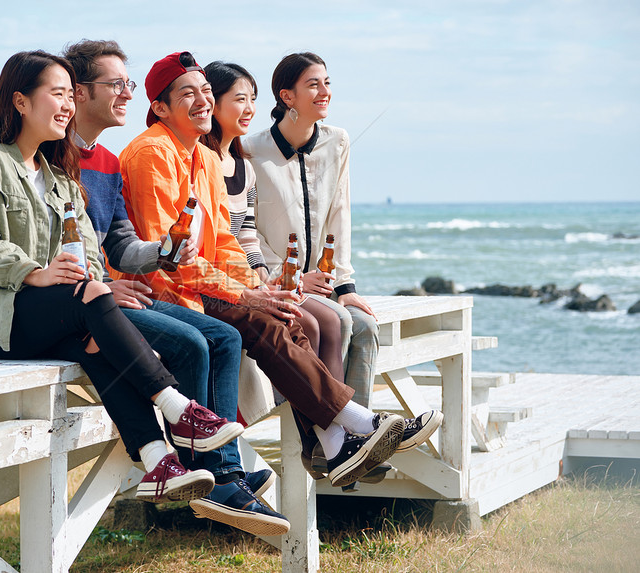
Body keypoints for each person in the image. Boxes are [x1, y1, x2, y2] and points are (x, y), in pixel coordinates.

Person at [0, 50, 242, 505]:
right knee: (95, 302)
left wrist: (97, 286)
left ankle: (158, 460)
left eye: (68, 96)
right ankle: (178, 409)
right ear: (19, 102)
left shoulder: (57, 175)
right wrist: (35, 273)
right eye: (56, 94)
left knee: (94, 342)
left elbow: (91, 256)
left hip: (48, 318)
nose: (67, 106)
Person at [115, 51, 423, 490]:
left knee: (280, 311)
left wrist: (257, 284)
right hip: (165, 296)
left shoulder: (201, 157)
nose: (203, 101)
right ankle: (349, 425)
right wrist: (244, 294)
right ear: (161, 108)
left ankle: (336, 439)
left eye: (206, 91)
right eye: (190, 94)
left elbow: (223, 239)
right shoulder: (152, 154)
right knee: (255, 321)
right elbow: (170, 259)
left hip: (202, 288)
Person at [62, 40, 288, 536]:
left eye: (127, 83)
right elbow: (60, 251)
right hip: (104, 302)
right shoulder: (122, 156)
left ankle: (223, 469)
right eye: (116, 84)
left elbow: (123, 241)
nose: (124, 92)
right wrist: (110, 281)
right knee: (199, 340)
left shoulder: (104, 159)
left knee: (229, 337)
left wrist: (246, 282)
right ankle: (218, 472)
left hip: (120, 293)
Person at [242, 52, 443, 465]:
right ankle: (331, 441)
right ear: (287, 96)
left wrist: (344, 285)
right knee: (341, 322)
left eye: (328, 83)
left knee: (365, 325)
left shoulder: (338, 140)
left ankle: (360, 449)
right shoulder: (250, 149)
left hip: (322, 281)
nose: (325, 92)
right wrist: (291, 276)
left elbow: (340, 212)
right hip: (277, 282)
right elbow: (248, 231)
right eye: (314, 84)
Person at [199, 61, 353, 476]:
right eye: (238, 99)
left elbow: (244, 235)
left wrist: (267, 282)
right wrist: (266, 285)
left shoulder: (239, 162)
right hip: (212, 290)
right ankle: (334, 435)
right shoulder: (213, 158)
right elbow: (203, 245)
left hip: (252, 281)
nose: (248, 107)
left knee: (335, 323)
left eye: (251, 98)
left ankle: (337, 438)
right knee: (313, 323)